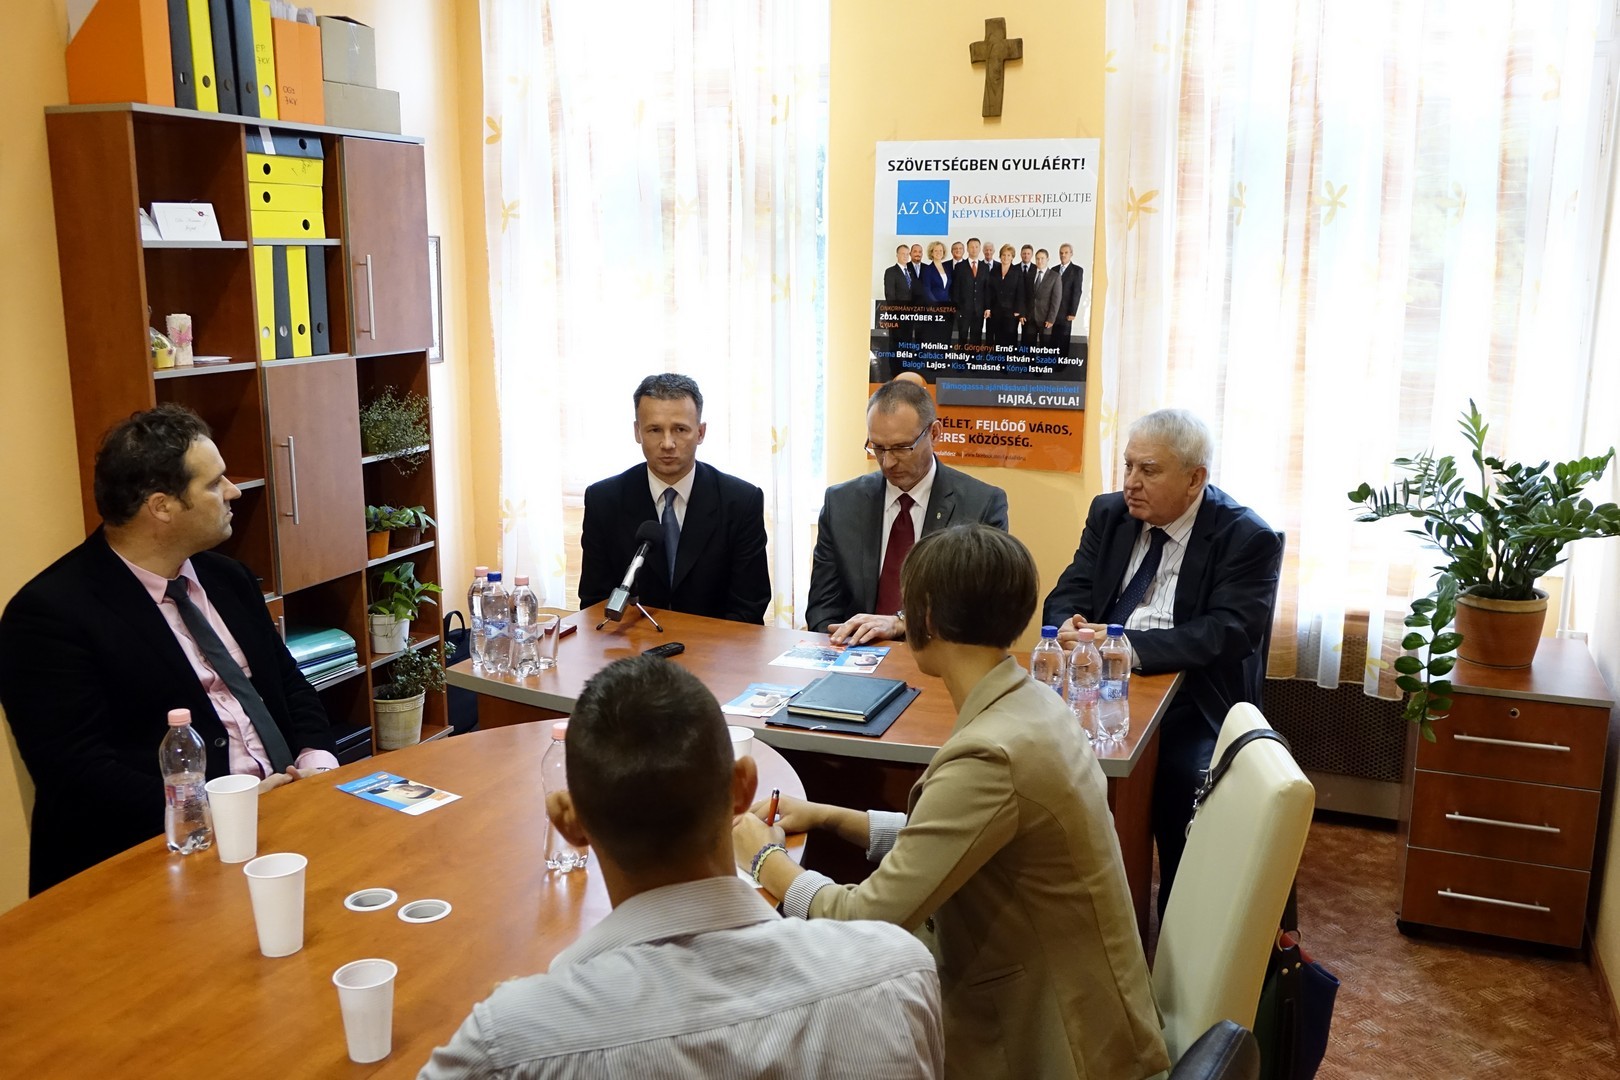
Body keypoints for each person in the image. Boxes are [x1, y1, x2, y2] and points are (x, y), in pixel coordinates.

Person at [735, 525, 1169, 1080]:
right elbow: (954, 835)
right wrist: (830, 817)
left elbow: (866, 919)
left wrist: (763, 859)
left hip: (1059, 1046)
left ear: (927, 618)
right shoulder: (1032, 700)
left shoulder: (991, 754)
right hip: (1089, 1006)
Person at [422, 655, 944, 1078]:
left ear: (568, 823)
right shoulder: (900, 972)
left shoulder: (510, 1045)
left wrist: (523, 1013)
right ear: (743, 788)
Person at [0, 404, 337, 895]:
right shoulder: (50, 613)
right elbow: (76, 771)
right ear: (161, 506)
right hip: (153, 861)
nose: (234, 492)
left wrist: (316, 758)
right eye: (214, 483)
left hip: (286, 819)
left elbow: (288, 683)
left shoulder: (228, 577)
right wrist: (220, 808)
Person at [1041, 408, 1281, 918]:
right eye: (1128, 466)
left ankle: (1182, 926)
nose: (1131, 482)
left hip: (1193, 699)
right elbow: (1071, 588)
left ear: (1195, 479)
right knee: (1034, 758)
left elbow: (1228, 631)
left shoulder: (1245, 536)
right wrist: (1067, 624)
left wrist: (1128, 647)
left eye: (1148, 470)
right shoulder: (1110, 514)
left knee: (1185, 784)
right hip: (1097, 687)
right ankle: (1071, 912)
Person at [805, 380, 1007, 642]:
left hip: (940, 655)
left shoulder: (981, 505)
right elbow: (823, 609)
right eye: (878, 448)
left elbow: (983, 608)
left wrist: (904, 621)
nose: (888, 462)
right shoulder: (842, 503)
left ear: (934, 433)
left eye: (901, 448)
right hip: (856, 653)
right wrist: (839, 647)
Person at [579, 374, 770, 623]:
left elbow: (749, 607)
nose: (667, 443)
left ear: (700, 432)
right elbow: (594, 602)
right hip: (633, 643)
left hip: (715, 643)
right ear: (638, 432)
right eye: (655, 430)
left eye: (680, 429)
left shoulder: (741, 502)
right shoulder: (604, 501)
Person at [985, 243, 1024, 346]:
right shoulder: (994, 270)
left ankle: (1009, 355)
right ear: (1000, 256)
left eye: (1008, 255)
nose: (1006, 257)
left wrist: (1018, 310)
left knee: (1010, 337)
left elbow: (1020, 292)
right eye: (1003, 255)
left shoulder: (1017, 271)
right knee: (998, 337)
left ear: (1012, 257)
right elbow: (989, 290)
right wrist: (988, 307)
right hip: (996, 310)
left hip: (1011, 312)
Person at [952, 237, 989, 346]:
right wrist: (957, 308)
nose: (974, 249)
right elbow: (956, 289)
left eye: (976, 247)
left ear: (980, 249)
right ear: (967, 249)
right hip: (963, 309)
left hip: (979, 310)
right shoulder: (959, 267)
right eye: (971, 247)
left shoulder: (985, 267)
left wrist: (987, 307)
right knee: (962, 337)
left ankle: (974, 357)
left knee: (976, 338)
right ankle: (961, 356)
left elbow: (987, 289)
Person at [1028, 248, 1063, 346]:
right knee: (1029, 347)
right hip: (1030, 318)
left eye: (1042, 258)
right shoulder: (1030, 274)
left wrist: (1051, 319)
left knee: (1045, 347)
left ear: (1047, 259)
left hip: (1045, 319)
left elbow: (1056, 300)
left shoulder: (1055, 276)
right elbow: (1026, 295)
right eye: (1037, 258)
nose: (1040, 261)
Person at [1053, 242, 1084, 355]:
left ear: (1071, 254)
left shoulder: (1077, 270)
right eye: (1061, 253)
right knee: (1053, 340)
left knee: (1063, 340)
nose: (1063, 255)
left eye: (1066, 253)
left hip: (1066, 312)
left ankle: (1062, 362)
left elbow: (1077, 292)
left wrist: (1072, 312)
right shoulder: (1053, 269)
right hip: (1053, 312)